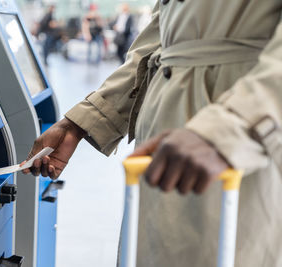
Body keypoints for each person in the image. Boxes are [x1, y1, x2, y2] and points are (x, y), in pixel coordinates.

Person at [23, 1, 282, 266]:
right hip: (164, 135)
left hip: (241, 143)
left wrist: (232, 127)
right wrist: (78, 122)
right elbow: (157, 43)